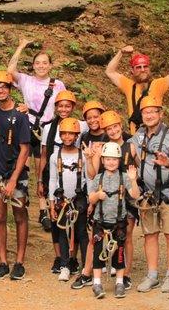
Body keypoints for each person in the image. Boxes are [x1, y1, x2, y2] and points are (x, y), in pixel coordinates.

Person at [7, 37, 66, 232]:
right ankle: (22, 200)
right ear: (33, 65)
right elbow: (10, 71)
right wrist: (21, 46)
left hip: (48, 129)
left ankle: (43, 211)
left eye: (44, 63)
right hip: (27, 126)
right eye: (37, 63)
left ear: (50, 66)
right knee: (23, 165)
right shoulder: (26, 80)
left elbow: (63, 107)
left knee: (42, 169)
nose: (41, 66)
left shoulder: (57, 85)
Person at [129, 96, 169, 294]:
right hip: (147, 195)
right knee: (150, 235)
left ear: (161, 114)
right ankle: (152, 275)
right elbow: (126, 149)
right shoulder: (139, 135)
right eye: (146, 112)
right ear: (142, 116)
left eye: (153, 111)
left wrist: (168, 163)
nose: (150, 115)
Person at [0, 71, 31, 280]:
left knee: (20, 216)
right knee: (0, 217)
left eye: (4, 86)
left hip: (16, 176)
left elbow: (25, 149)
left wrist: (14, 179)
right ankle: (3, 261)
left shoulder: (20, 115)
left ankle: (19, 261)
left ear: (11, 88)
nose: (1, 90)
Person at [38, 90, 87, 275]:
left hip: (76, 181)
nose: (64, 109)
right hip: (55, 177)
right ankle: (61, 259)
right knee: (58, 223)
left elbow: (96, 127)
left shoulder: (81, 126)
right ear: (55, 107)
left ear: (73, 107)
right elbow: (43, 154)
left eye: (68, 105)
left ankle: (75, 260)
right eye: (60, 105)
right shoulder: (49, 128)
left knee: (79, 226)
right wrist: (40, 180)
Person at [86, 110, 137, 290]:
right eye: (109, 128)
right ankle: (91, 274)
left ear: (121, 127)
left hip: (126, 195)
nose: (113, 131)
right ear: (105, 131)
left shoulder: (131, 146)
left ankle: (124, 275)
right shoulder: (103, 148)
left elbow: (139, 168)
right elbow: (93, 173)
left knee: (125, 237)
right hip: (104, 197)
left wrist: (133, 180)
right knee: (99, 240)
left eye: (115, 127)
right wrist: (90, 157)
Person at [105, 46, 169, 133]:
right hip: (136, 137)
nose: (142, 69)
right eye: (138, 67)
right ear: (132, 71)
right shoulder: (128, 86)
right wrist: (121, 53)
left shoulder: (158, 84)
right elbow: (109, 71)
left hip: (155, 136)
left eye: (145, 66)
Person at [71, 100, 108, 290]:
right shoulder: (84, 136)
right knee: (92, 232)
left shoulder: (109, 135)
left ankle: (115, 270)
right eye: (89, 117)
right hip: (90, 187)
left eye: (96, 116)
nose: (93, 120)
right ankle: (88, 271)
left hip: (107, 188)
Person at [48, 118, 89, 283]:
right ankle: (65, 265)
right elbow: (52, 180)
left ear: (76, 135)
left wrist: (90, 201)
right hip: (62, 200)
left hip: (79, 200)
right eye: (64, 133)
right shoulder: (54, 156)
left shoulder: (83, 156)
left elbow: (89, 179)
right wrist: (51, 203)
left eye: (71, 134)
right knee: (62, 232)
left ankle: (86, 267)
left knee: (81, 233)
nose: (67, 137)